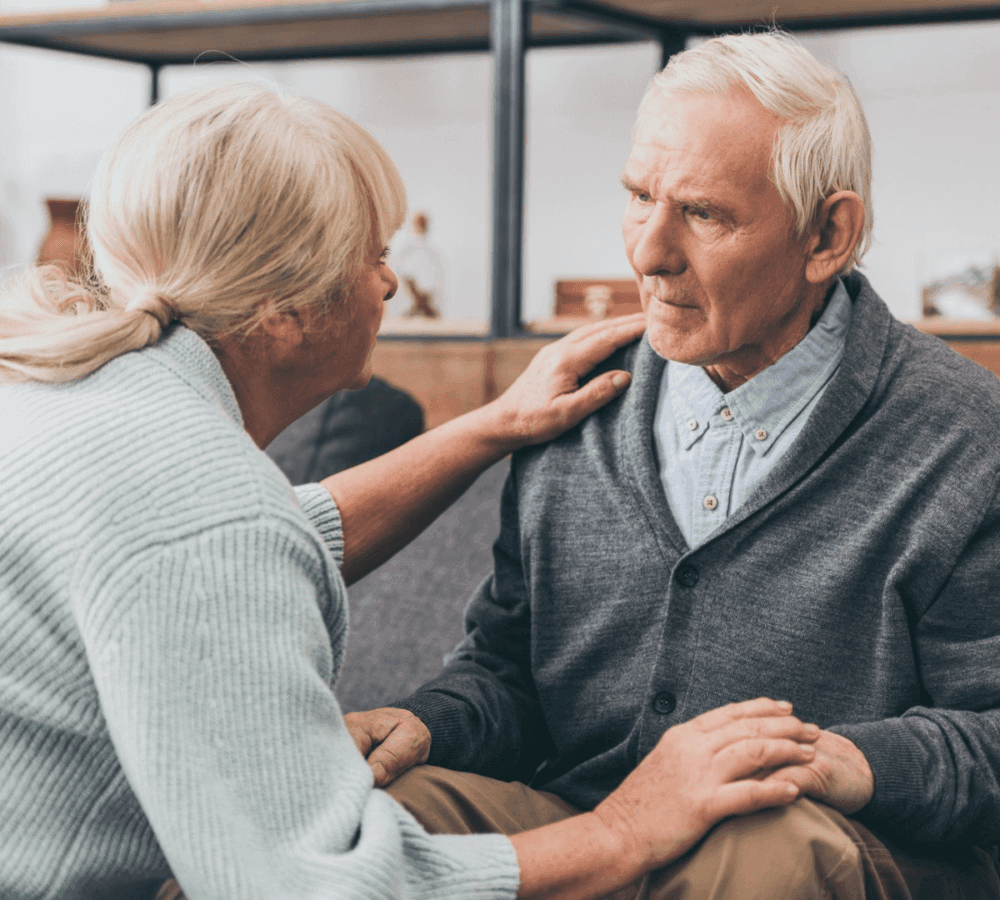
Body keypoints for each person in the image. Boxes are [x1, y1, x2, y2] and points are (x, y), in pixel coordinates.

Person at [0, 82, 824, 900]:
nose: (391, 285)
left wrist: (492, 425)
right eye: (374, 256)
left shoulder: (76, 399)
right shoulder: (208, 516)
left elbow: (270, 538)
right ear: (283, 310)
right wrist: (625, 829)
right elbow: (316, 890)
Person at [347, 32, 1000, 899]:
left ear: (827, 235)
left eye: (703, 213)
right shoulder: (575, 399)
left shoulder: (964, 435)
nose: (648, 254)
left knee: (765, 843)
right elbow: (508, 674)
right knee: (378, 817)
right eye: (638, 196)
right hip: (587, 824)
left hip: (825, 842)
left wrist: (848, 760)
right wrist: (425, 725)